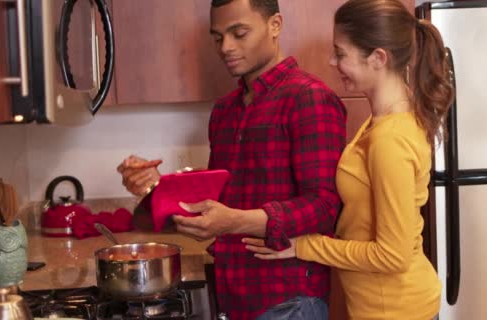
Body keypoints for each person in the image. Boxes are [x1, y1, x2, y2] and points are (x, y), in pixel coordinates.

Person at [117, 0, 347, 319]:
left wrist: (235, 221)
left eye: (239, 33)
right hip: (234, 297)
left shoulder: (309, 98)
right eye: (218, 37)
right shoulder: (225, 111)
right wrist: (153, 188)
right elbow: (216, 206)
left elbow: (325, 207)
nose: (226, 47)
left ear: (275, 25)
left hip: (290, 300)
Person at [243, 0, 455, 319]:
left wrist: (305, 245)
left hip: (394, 310)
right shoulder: (383, 121)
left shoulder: (390, 139)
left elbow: (392, 255)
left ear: (378, 59)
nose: (331, 61)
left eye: (340, 53)